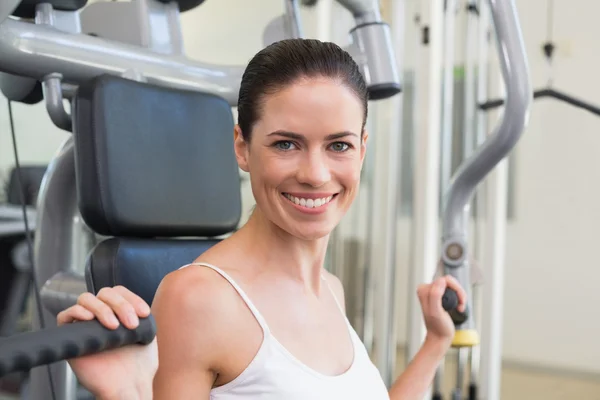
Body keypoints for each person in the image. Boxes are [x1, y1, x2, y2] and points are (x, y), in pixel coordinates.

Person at [57, 38, 466, 400]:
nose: (315, 174)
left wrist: (435, 342)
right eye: (286, 144)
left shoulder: (330, 289)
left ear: (362, 149)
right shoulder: (199, 298)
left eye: (338, 145)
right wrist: (128, 394)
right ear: (242, 147)